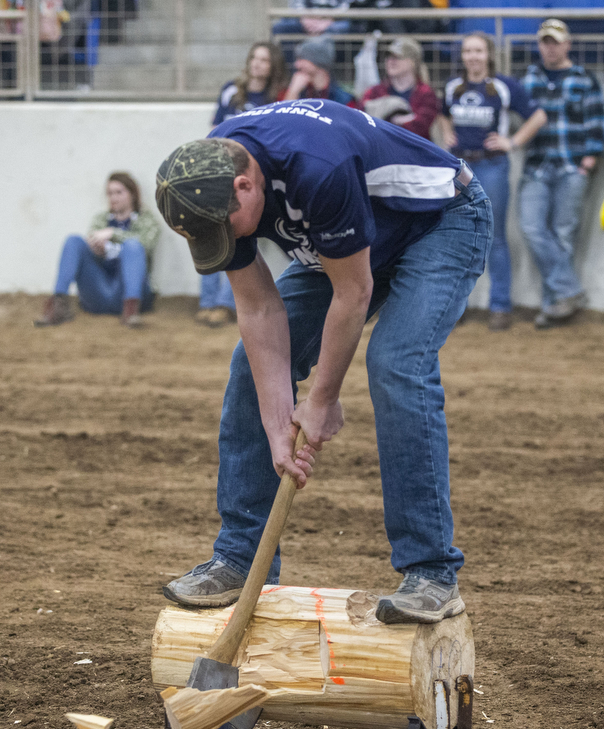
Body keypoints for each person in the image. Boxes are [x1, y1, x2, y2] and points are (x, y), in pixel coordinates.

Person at [154, 99, 492, 624]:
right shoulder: (214, 175)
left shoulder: (317, 166)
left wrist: (321, 399)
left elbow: (352, 293)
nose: (227, 242)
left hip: (439, 222)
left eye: (226, 227)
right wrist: (275, 428)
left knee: (396, 365)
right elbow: (259, 307)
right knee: (251, 369)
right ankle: (241, 559)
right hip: (343, 242)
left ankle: (431, 572)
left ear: (246, 186)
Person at [442, 31, 548, 331]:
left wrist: (512, 142)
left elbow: (538, 116)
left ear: (488, 54)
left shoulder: (503, 86)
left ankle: (500, 305)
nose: (473, 57)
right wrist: (447, 130)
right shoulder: (453, 86)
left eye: (478, 51)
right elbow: (442, 113)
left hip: (492, 166)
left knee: (495, 237)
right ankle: (455, 306)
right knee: (456, 236)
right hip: (459, 167)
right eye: (467, 51)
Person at [519, 18, 604, 330]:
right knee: (532, 229)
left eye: (555, 41)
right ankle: (569, 292)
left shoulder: (583, 78)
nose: (550, 47)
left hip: (572, 165)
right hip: (537, 165)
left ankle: (552, 305)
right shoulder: (527, 79)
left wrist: (589, 161)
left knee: (562, 235)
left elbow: (596, 120)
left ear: (567, 44)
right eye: (545, 41)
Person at [199, 42, 289, 328]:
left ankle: (226, 304)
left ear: (272, 66)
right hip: (220, 170)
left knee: (242, 235)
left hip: (250, 179)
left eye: (265, 60)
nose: (258, 64)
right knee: (210, 232)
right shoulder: (230, 91)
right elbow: (213, 131)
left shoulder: (276, 98)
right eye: (255, 58)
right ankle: (208, 302)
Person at [35, 172, 160, 328]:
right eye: (110, 193)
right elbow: (90, 243)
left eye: (119, 192)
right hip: (98, 290)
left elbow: (147, 245)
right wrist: (97, 251)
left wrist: (113, 233)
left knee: (133, 245)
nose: (113, 197)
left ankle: (131, 311)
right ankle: (58, 305)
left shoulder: (147, 220)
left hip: (128, 292)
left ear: (133, 194)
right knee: (73, 241)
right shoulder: (100, 219)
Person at [360, 37, 438, 140]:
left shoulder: (426, 94)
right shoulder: (374, 91)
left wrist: (384, 118)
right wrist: (404, 119)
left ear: (413, 62)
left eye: (397, 57)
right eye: (388, 56)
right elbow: (361, 120)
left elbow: (420, 127)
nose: (391, 61)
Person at [280, 35, 357, 107]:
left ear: (319, 62)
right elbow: (282, 116)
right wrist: (293, 91)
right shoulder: (300, 90)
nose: (297, 64)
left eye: (302, 59)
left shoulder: (344, 99)